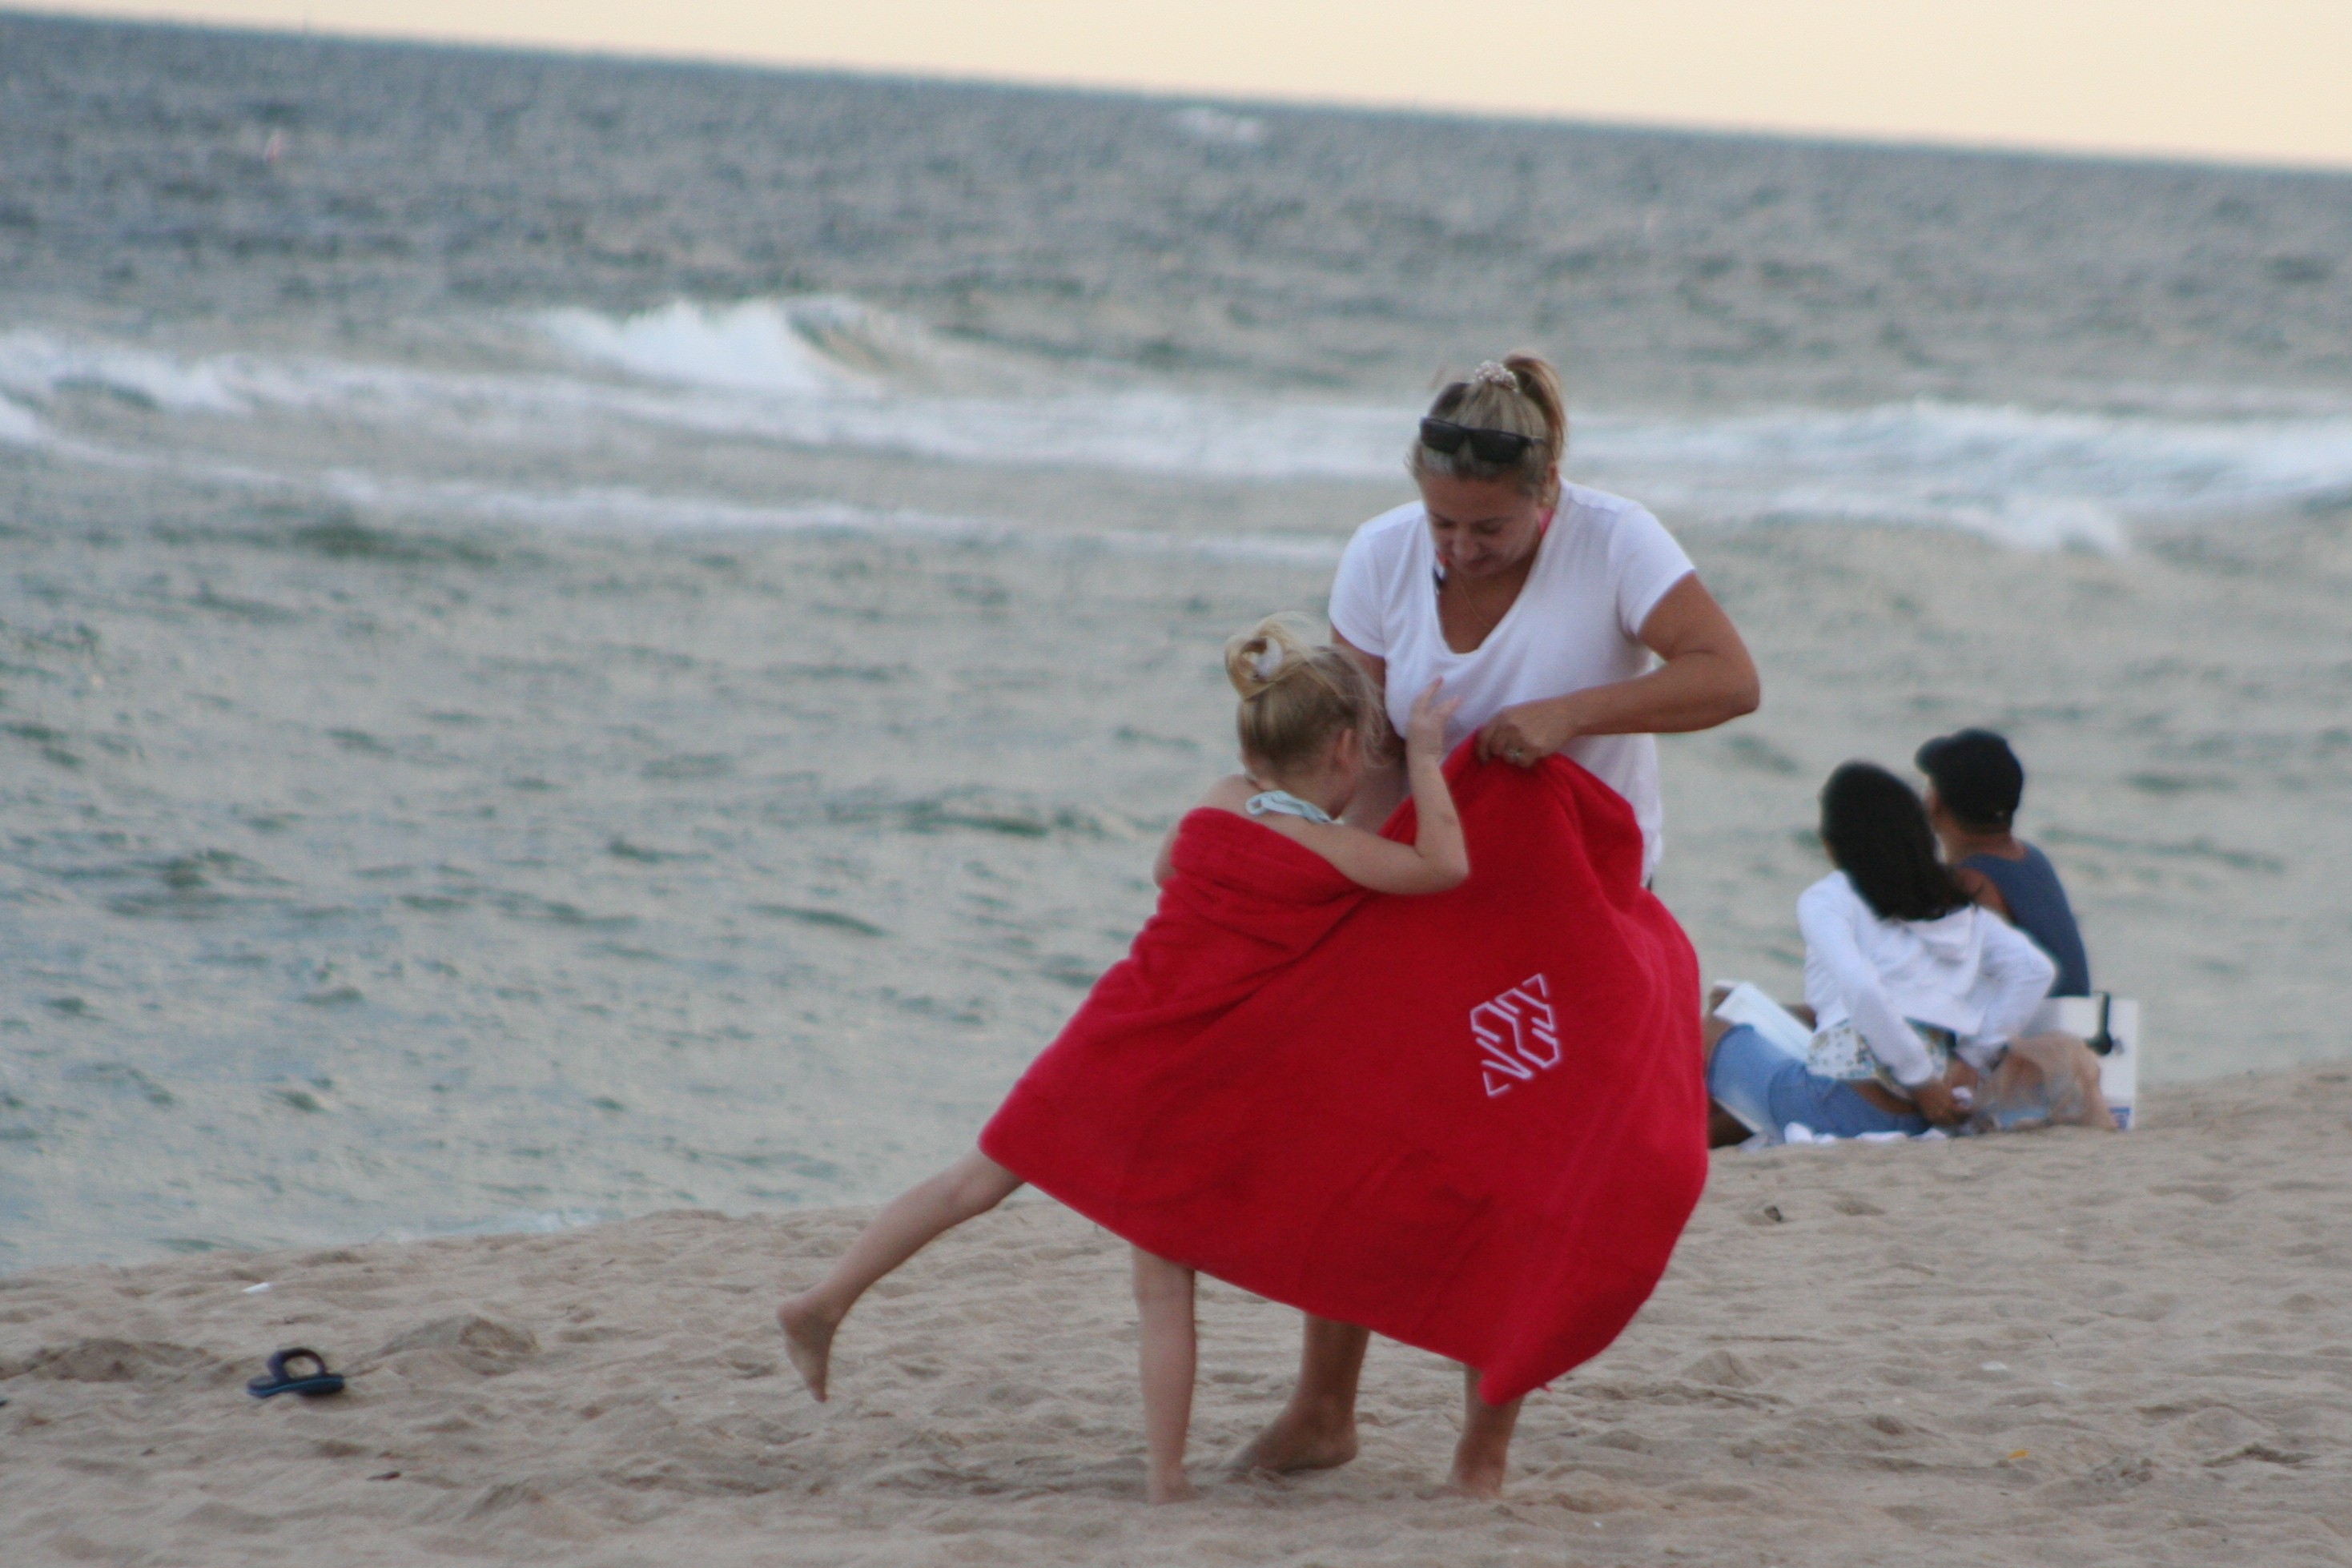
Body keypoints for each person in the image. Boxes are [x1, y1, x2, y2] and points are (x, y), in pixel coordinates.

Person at [776, 620, 1468, 1504]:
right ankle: (1165, 1481)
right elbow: (1443, 866)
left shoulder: (1216, 802)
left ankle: (823, 1301)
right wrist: (1429, 758)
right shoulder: (1333, 852)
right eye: (1366, 758)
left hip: (1109, 1033)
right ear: (1343, 751)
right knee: (1164, 1283)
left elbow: (1166, 870)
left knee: (971, 1183)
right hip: (1181, 1076)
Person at [1240, 352, 1759, 1494]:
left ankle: (1485, 1442)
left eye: (1487, 530)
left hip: (1580, 911)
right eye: (1444, 523)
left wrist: (1570, 714)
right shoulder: (1384, 551)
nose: (1458, 550)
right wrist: (1290, 857)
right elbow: (1358, 749)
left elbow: (1730, 678)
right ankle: (1324, 1409)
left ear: (1548, 490)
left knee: (1530, 1172)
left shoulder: (1618, 541)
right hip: (1425, 889)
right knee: (1363, 1142)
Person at [1706, 762, 2056, 1140]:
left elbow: (1864, 989)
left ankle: (1661, 1138)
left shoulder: (1830, 898)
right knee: (1749, 1015)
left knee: (1710, 1028)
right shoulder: (1958, 910)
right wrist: (1973, 1058)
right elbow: (2033, 970)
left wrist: (1920, 1079)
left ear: (1832, 843)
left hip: (1839, 1105)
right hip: (1926, 1115)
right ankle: (1696, 1137)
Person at [1915, 728, 2090, 999]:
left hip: (2034, 1033)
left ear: (1936, 802)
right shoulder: (2031, 858)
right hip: (2073, 1022)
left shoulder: (1969, 882)